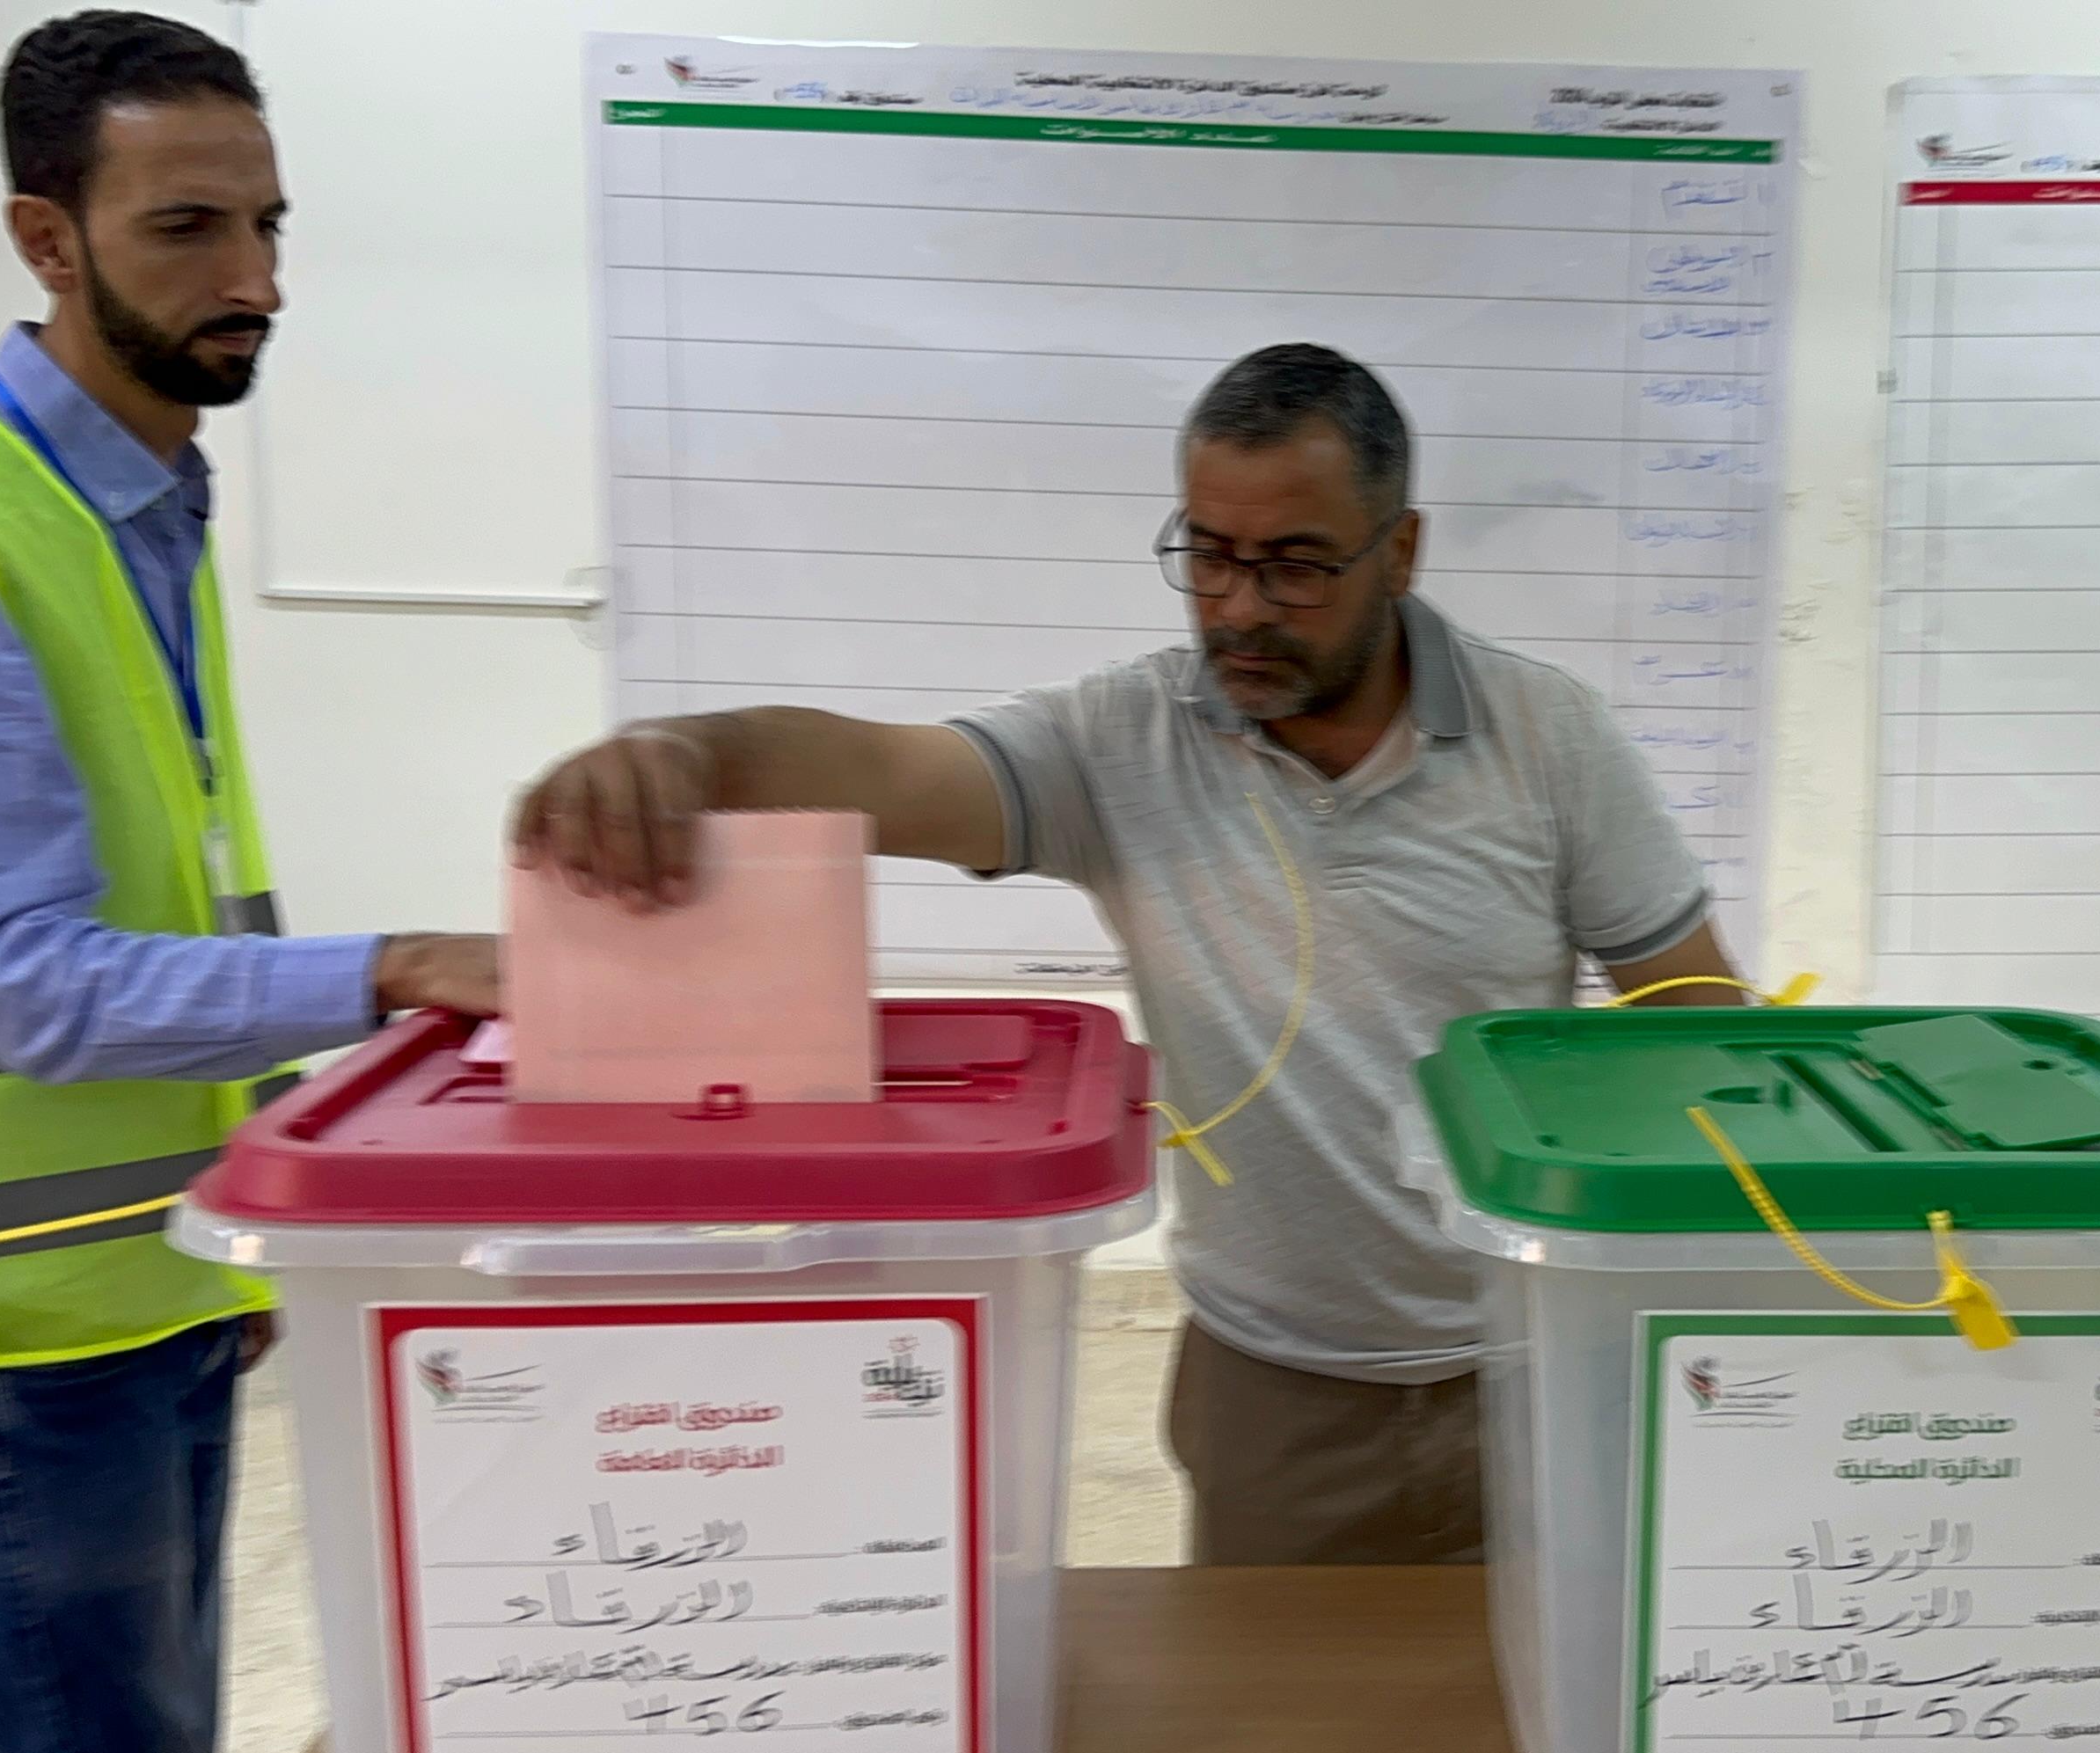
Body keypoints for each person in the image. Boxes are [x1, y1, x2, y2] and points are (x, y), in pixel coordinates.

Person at [516, 342, 1743, 1564]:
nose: (1240, 608)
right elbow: (887, 769)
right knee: (1264, 1688)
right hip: (1277, 1389)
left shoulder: (1550, 738)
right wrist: (694, 753)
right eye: (1209, 554)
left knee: (1536, 1680)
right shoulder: (1122, 742)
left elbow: (1695, 1016)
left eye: (1297, 565)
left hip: (1529, 1360)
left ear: (1401, 551)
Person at [0, 15, 495, 1753]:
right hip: (23, 1336)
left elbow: (188, 893)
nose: (257, 282)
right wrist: (398, 968)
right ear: (46, 238)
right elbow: (16, 979)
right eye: (188, 229)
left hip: (157, 1276)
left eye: (269, 225)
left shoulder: (148, 499)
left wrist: (240, 1199)